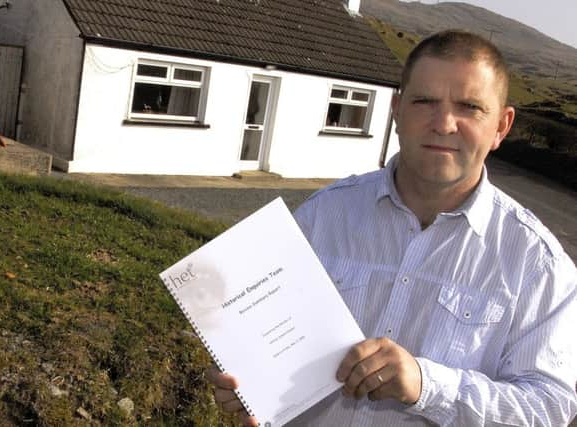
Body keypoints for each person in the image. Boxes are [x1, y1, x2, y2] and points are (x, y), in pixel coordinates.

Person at [208, 30, 577, 426]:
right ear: (397, 110)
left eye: (469, 107)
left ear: (501, 127)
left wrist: (426, 384)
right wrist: (246, 382)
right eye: (425, 101)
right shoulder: (323, 215)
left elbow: (550, 407)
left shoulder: (538, 264)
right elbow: (263, 339)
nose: (444, 123)